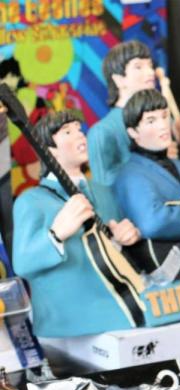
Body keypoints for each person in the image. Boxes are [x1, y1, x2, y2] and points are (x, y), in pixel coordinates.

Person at [12, 110, 142, 337]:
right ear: (48, 148)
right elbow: (23, 263)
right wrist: (55, 234)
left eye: (80, 130)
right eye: (67, 132)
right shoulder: (31, 201)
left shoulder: (102, 192)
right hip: (69, 321)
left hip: (121, 304)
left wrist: (122, 239)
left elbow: (111, 249)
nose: (81, 135)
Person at [89, 41, 180, 202]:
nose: (150, 72)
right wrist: (154, 162)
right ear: (119, 80)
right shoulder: (103, 132)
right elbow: (105, 194)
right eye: (138, 67)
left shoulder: (166, 119)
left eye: (150, 65)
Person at [114, 89, 180, 249]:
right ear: (133, 132)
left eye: (164, 116)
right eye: (151, 121)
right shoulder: (130, 175)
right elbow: (152, 222)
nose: (163, 126)